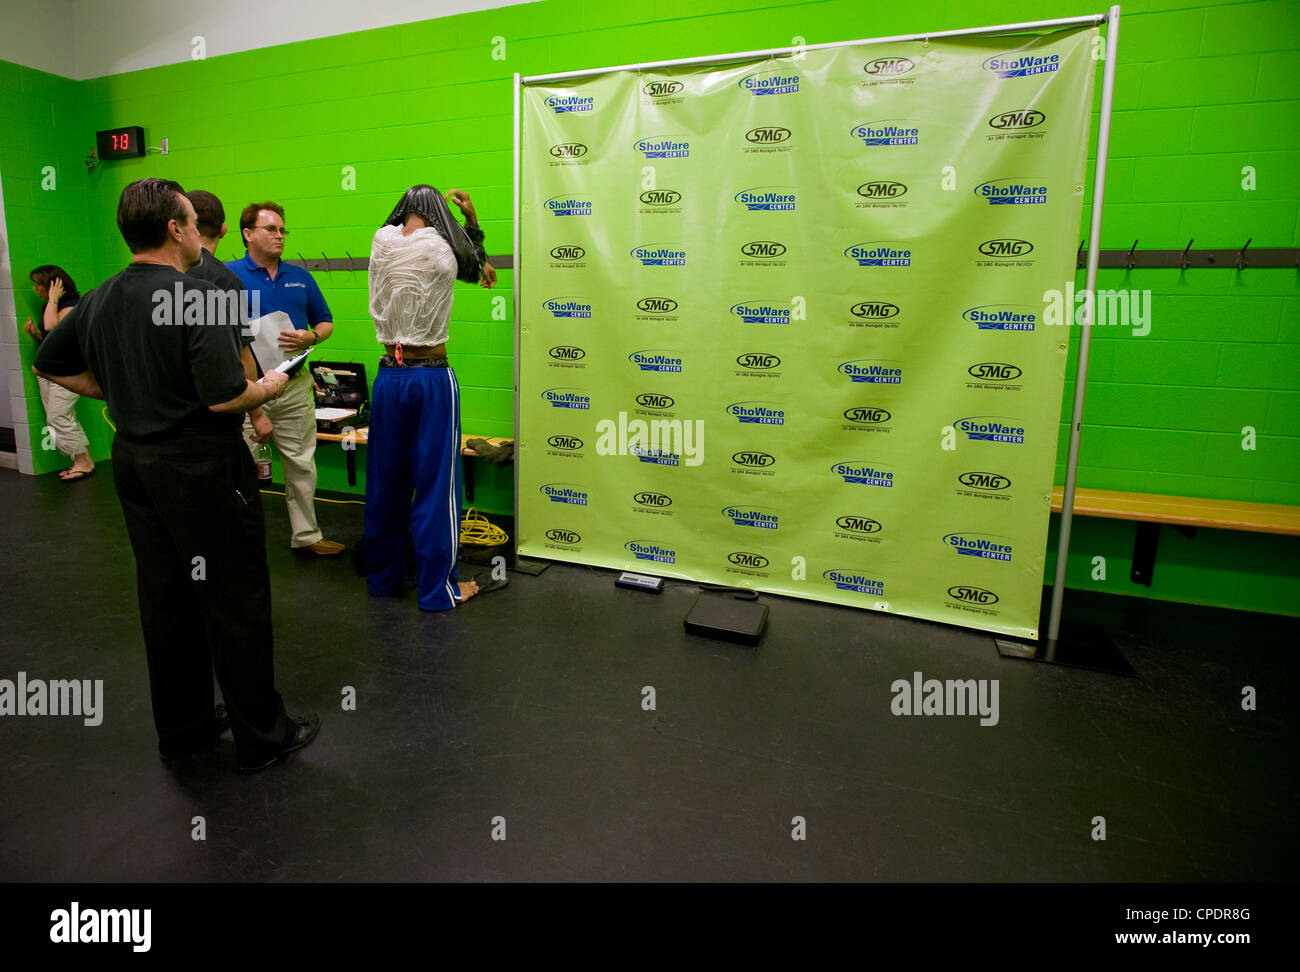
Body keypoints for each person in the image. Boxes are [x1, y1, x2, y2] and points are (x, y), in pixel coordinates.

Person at [33, 177, 320, 772]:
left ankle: (184, 729)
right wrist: (266, 387)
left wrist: (113, 388)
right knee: (235, 599)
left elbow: (50, 359)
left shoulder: (103, 296)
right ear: (175, 229)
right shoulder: (201, 296)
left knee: (166, 598)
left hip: (137, 465)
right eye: (193, 223)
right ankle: (262, 737)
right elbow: (223, 397)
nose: (199, 234)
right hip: (201, 466)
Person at [364, 185, 498, 610]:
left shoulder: (381, 242)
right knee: (437, 488)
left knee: (386, 485)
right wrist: (471, 221)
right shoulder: (442, 247)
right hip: (431, 378)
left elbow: (397, 225)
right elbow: (477, 268)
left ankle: (383, 581)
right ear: (439, 213)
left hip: (388, 378)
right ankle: (439, 590)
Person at [227, 200, 343, 556]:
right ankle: (238, 544)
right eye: (270, 229)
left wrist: (312, 336)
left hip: (293, 385)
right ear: (247, 234)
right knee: (240, 470)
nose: (279, 236)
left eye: (282, 230)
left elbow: (325, 321)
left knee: (301, 464)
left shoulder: (300, 277)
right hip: (248, 389)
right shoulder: (227, 276)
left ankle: (307, 536)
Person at [184, 189, 273, 447]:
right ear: (223, 230)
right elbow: (241, 353)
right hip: (212, 417)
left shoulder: (158, 277)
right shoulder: (224, 280)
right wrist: (257, 412)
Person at [23, 266, 95, 481]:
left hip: (69, 370)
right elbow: (53, 342)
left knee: (58, 415)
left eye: (39, 284)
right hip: (50, 370)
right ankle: (80, 461)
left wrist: (54, 298)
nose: (35, 288)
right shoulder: (50, 306)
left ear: (54, 285)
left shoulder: (72, 305)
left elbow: (55, 327)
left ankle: (85, 462)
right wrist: (36, 335)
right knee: (57, 418)